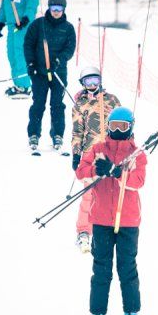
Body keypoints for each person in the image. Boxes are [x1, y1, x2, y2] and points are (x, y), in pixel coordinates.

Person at [75, 107, 146, 315]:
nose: (117, 131)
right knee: (102, 269)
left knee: (127, 268)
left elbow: (138, 181)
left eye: (122, 127)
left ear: (130, 127)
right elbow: (80, 171)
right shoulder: (98, 150)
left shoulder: (137, 153)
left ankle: (132, 313)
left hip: (128, 221)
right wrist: (98, 167)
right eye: (114, 126)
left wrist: (116, 172)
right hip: (102, 220)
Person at [70, 67, 122, 253]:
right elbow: (77, 132)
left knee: (111, 192)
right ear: (83, 84)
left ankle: (107, 227)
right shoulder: (80, 105)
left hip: (111, 153)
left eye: (95, 81)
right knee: (89, 194)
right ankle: (84, 230)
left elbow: (123, 124)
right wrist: (76, 154)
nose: (92, 86)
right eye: (88, 82)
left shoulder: (111, 100)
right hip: (91, 155)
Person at [23, 0, 76, 153]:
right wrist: (31, 64)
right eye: (53, 8)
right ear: (49, 8)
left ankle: (57, 134)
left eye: (59, 8)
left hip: (58, 73)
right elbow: (28, 45)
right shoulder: (38, 25)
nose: (56, 11)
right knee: (38, 104)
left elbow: (70, 49)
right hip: (39, 73)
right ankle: (33, 134)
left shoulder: (68, 28)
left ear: (64, 9)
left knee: (57, 105)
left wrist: (59, 60)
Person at [0, 0, 38, 98]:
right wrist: (0, 22)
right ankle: (18, 84)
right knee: (11, 55)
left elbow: (32, 7)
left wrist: (25, 19)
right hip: (12, 28)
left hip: (23, 27)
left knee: (21, 56)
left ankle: (25, 86)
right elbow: (5, 6)